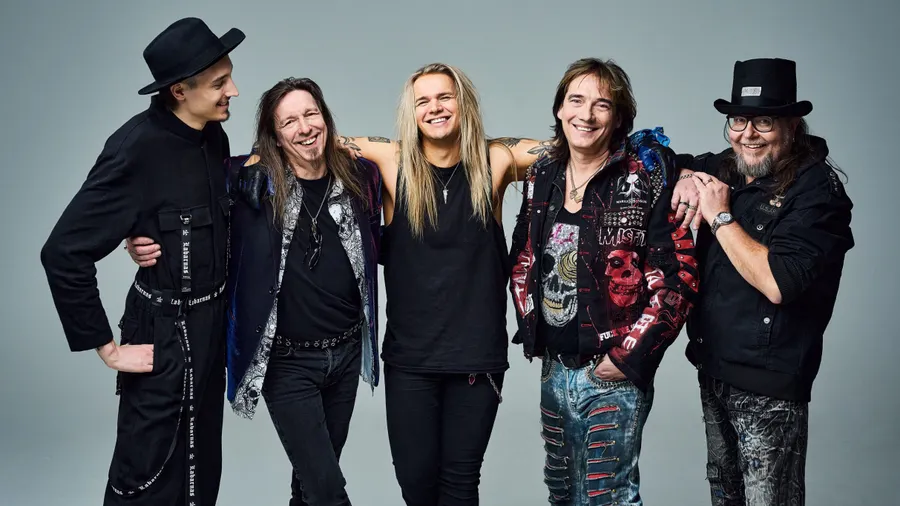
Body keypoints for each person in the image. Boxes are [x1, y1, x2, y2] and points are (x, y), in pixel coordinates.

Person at [127, 77, 383, 506]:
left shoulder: (362, 176)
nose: (304, 127)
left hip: (345, 354)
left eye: (311, 114)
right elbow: (174, 193)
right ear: (274, 135)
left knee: (310, 486)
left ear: (325, 118)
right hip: (287, 362)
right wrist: (136, 233)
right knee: (328, 491)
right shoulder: (245, 180)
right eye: (289, 121)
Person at [40, 17, 243, 506]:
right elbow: (63, 252)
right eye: (219, 83)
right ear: (179, 90)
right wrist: (107, 350)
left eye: (229, 76)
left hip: (213, 329)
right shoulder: (134, 148)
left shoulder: (214, 136)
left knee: (201, 469)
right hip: (162, 333)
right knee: (146, 475)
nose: (233, 91)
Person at [337, 63, 540, 506]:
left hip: (477, 356)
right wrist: (251, 163)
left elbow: (580, 144)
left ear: (463, 103)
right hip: (411, 359)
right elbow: (307, 141)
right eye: (422, 101)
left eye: (445, 97)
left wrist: (681, 170)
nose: (435, 108)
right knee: (416, 485)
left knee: (460, 485)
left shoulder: (494, 160)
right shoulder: (391, 161)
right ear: (410, 113)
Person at [507, 58, 699, 505]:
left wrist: (628, 357)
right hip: (554, 367)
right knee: (562, 494)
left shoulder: (646, 176)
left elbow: (679, 278)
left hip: (612, 372)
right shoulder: (542, 175)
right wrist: (531, 325)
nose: (586, 115)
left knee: (608, 497)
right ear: (559, 109)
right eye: (576, 100)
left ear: (618, 118)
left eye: (602, 105)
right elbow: (524, 254)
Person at [671, 58, 855, 505]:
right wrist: (687, 177)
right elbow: (663, 161)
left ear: (791, 125)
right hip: (713, 368)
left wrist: (719, 216)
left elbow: (779, 282)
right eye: (738, 120)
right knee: (725, 496)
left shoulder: (817, 192)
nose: (747, 134)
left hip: (769, 386)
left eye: (764, 122)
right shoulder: (728, 166)